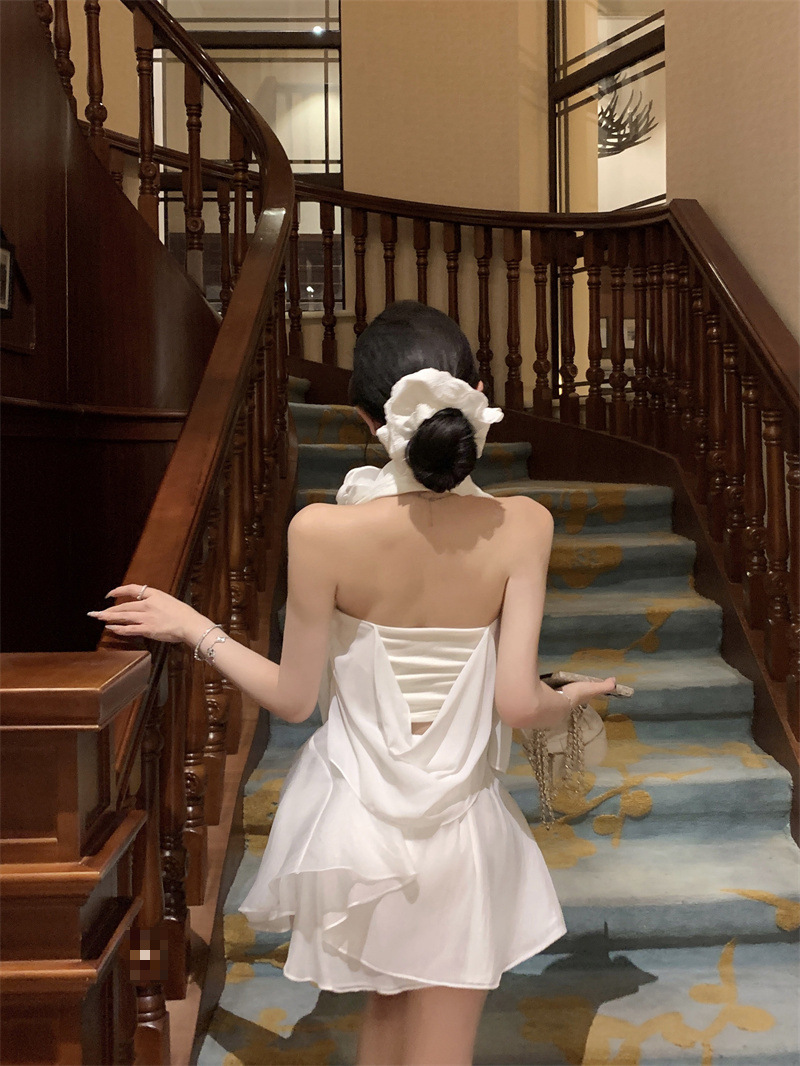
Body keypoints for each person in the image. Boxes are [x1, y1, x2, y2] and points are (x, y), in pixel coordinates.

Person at [91, 301, 616, 1066]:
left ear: (367, 420)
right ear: (476, 397)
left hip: (358, 828)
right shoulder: (525, 525)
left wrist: (194, 627)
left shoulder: (321, 532)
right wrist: (567, 697)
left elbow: (295, 699)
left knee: (383, 1026)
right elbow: (516, 702)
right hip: (460, 832)